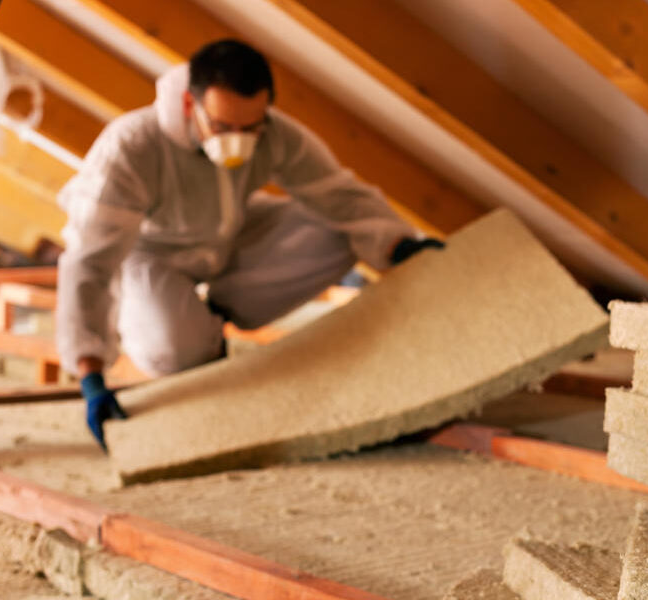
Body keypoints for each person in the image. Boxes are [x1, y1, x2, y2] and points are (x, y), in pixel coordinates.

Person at [56, 39, 443, 450]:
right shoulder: (132, 146)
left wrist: (400, 245)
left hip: (229, 236)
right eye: (222, 127)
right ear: (190, 104)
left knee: (340, 226)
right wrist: (91, 373)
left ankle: (216, 315)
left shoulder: (274, 134)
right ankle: (195, 337)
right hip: (150, 253)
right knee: (173, 348)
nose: (236, 140)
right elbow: (90, 260)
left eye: (249, 128)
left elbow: (340, 195)